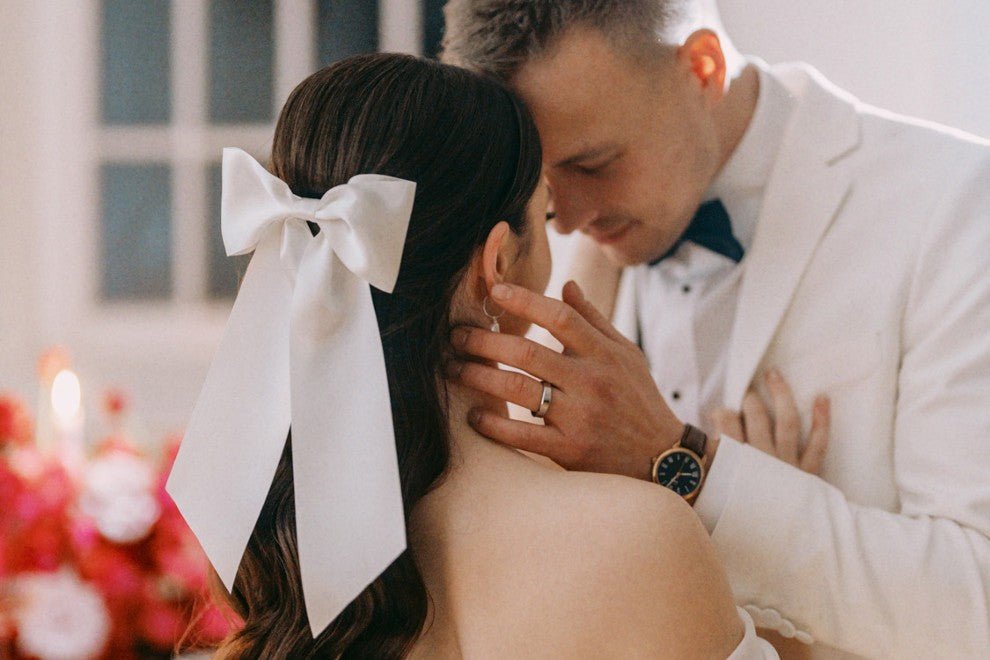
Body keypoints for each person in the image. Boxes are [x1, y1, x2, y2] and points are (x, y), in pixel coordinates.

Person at [165, 53, 777, 658]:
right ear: (499, 265)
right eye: (547, 213)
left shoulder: (287, 564)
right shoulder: (638, 540)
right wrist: (758, 534)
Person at [439, 1, 990, 658]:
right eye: (543, 184)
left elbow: (974, 603)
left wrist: (688, 467)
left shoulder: (957, 204)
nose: (566, 218)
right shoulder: (547, 266)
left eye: (593, 164)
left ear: (701, 68)